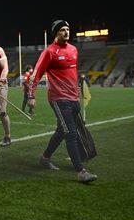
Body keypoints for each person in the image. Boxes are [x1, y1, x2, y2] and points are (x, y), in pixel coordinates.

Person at [27, 20, 98, 183]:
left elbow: (72, 72)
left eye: (68, 29)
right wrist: (31, 96)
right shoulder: (49, 52)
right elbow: (36, 74)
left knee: (61, 131)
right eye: (62, 30)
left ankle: (45, 158)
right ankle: (81, 172)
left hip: (73, 98)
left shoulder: (73, 50)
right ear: (56, 33)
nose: (66, 32)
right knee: (70, 133)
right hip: (59, 99)